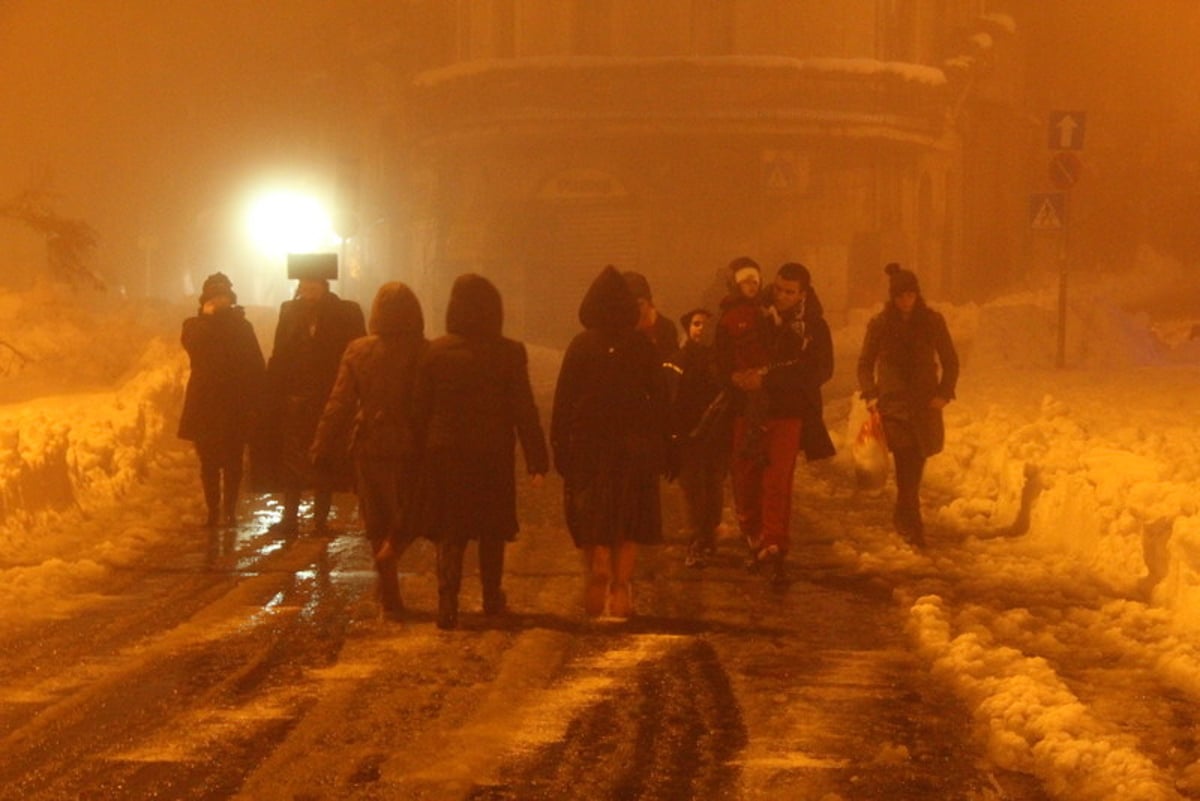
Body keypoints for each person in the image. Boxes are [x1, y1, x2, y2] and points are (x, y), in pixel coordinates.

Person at [410, 274, 548, 630]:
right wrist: (537, 458)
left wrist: (419, 450)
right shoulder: (509, 352)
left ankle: (447, 603)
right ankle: (490, 596)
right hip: (491, 454)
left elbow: (419, 409)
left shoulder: (435, 352)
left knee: (449, 531)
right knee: (491, 529)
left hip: (445, 453)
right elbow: (523, 409)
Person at [551, 265, 669, 619]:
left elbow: (563, 401)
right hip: (633, 446)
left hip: (588, 445)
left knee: (591, 517)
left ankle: (597, 566)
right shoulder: (642, 346)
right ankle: (620, 586)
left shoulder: (580, 345)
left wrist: (559, 447)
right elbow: (660, 399)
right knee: (628, 522)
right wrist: (663, 444)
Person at [310, 282, 427, 621]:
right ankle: (394, 550)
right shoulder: (425, 351)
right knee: (412, 512)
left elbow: (339, 403)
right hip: (411, 445)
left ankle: (389, 595)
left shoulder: (357, 350)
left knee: (375, 519)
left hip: (369, 443)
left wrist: (321, 442)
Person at [722, 261, 835, 586]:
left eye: (790, 292)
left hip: (788, 412)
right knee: (745, 475)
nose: (783, 296)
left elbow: (819, 370)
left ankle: (773, 543)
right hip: (747, 410)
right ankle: (753, 534)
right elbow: (728, 350)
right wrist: (735, 376)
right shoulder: (754, 313)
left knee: (777, 479)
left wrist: (769, 378)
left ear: (802, 293)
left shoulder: (813, 326)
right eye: (780, 288)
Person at [856, 262, 959, 547]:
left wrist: (944, 393)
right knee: (907, 467)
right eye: (900, 296)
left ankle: (903, 518)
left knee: (915, 466)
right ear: (893, 297)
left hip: (925, 407)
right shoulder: (880, 325)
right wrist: (871, 393)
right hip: (894, 409)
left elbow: (950, 360)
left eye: (910, 295)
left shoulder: (932, 322)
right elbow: (864, 364)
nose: (905, 301)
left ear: (917, 294)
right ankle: (914, 529)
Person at [260, 260, 365, 534]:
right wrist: (272, 391)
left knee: (324, 458)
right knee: (292, 460)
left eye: (313, 287)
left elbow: (354, 352)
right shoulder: (290, 312)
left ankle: (320, 519)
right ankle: (290, 518)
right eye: (304, 287)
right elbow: (280, 353)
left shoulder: (343, 313)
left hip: (329, 396)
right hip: (296, 397)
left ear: (324, 286)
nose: (308, 292)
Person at [178, 272, 266, 527]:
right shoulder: (193, 325)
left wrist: (257, 401)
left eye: (224, 297)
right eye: (214, 297)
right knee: (208, 462)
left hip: (235, 403)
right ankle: (213, 510)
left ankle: (229, 510)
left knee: (233, 460)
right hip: (204, 403)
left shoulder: (242, 326)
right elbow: (194, 347)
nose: (220, 301)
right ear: (205, 301)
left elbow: (254, 364)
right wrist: (208, 319)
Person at [668, 308, 730, 568]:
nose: (700, 328)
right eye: (695, 324)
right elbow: (670, 397)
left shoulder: (721, 362)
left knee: (713, 485)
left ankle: (708, 535)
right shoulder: (678, 360)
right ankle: (696, 537)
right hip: (688, 434)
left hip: (716, 434)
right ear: (688, 327)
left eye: (705, 324)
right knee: (691, 487)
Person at [714, 257, 773, 465]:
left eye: (756, 281)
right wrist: (734, 374)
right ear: (735, 283)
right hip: (743, 374)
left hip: (760, 370)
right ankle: (752, 444)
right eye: (746, 281)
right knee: (756, 403)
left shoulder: (761, 310)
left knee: (761, 402)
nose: (752, 286)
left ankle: (754, 442)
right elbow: (723, 352)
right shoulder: (730, 315)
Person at [622, 270, 679, 362]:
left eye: (640, 304)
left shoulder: (666, 329)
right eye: (631, 306)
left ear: (649, 302)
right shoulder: (621, 329)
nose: (636, 311)